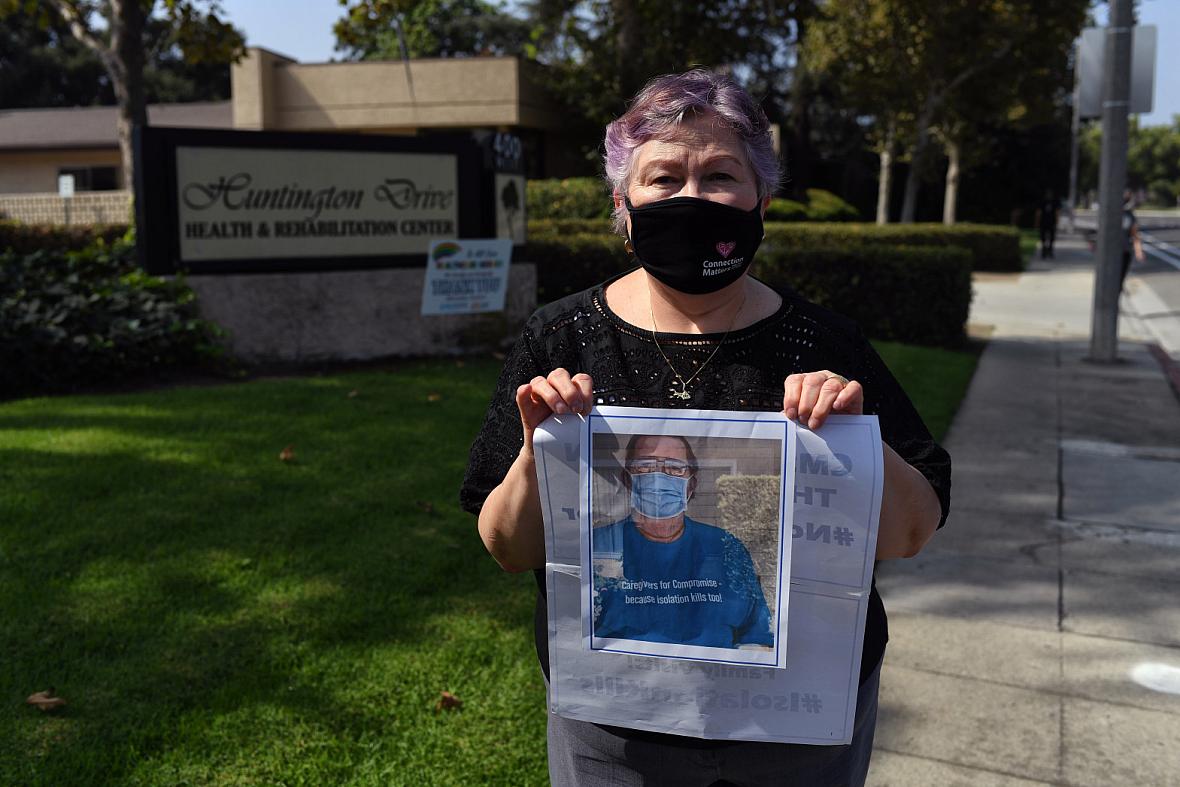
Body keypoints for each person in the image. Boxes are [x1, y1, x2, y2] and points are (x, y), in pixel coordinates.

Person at [461, 69, 950, 786]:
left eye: (721, 175)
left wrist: (858, 439)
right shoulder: (560, 338)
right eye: (663, 178)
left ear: (762, 200)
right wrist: (541, 451)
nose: (691, 198)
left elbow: (910, 533)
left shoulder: (823, 344)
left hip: (796, 726)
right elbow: (507, 547)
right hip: (617, 728)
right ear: (624, 208)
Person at [592, 433, 773, 650]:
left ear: (691, 484)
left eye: (675, 468)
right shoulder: (598, 545)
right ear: (626, 478)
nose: (659, 477)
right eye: (645, 466)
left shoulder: (726, 547)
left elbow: (757, 634)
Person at [1119, 190, 1147, 290]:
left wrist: (1138, 251)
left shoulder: (1129, 215)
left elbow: (1135, 235)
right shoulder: (1110, 213)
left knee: (1120, 279)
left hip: (1125, 252)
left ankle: (1116, 300)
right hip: (1111, 253)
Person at [1036, 189, 1059, 259]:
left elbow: (1056, 213)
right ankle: (1047, 251)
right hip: (1047, 222)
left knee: (1048, 238)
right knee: (1047, 238)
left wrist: (1037, 222)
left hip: (1048, 222)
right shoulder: (1046, 202)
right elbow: (1039, 213)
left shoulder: (1051, 202)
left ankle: (1047, 251)